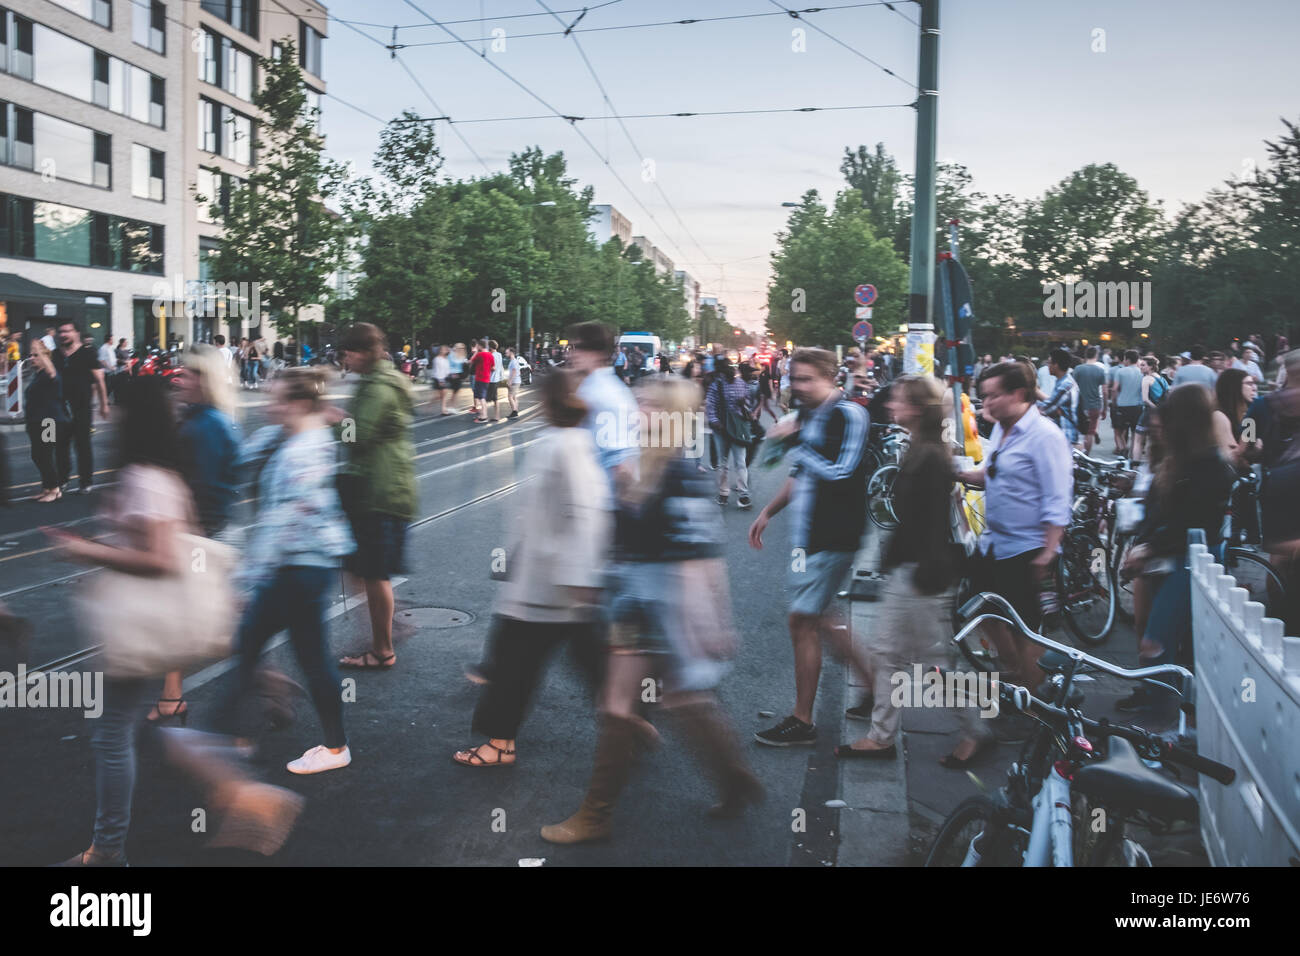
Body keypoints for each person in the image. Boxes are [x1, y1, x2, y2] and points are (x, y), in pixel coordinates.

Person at [50, 376, 303, 865]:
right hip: (150, 624)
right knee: (130, 730)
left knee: (113, 735)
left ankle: (109, 850)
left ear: (133, 418)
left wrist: (84, 551)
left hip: (144, 626)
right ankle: (238, 789)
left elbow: (163, 558)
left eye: (117, 409)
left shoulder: (144, 478)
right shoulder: (161, 472)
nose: (108, 416)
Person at [541, 378, 762, 842]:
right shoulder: (637, 466)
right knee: (676, 701)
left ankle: (596, 816)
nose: (636, 408)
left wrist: (715, 622)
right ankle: (735, 777)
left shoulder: (682, 474)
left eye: (647, 404)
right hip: (632, 601)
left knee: (632, 703)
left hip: (664, 606)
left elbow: (702, 555)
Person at [452, 370, 611, 768]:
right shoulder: (567, 440)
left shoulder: (566, 445)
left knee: (513, 665)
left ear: (548, 398)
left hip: (551, 584)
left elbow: (585, 512)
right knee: (588, 662)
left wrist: (580, 578)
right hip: (550, 582)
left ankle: (500, 744)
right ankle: (628, 719)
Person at [837, 375, 993, 764]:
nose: (892, 407)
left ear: (919, 409)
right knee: (892, 655)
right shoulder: (922, 449)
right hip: (915, 569)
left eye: (900, 401)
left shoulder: (928, 458)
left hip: (923, 573)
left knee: (930, 665)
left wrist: (917, 570)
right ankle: (881, 736)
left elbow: (930, 524)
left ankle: (974, 729)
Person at [214, 368, 358, 772]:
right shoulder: (298, 436)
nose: (268, 405)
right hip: (303, 568)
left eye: (276, 399)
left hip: (294, 569)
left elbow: (281, 523)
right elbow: (248, 456)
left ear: (296, 404)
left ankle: (224, 742)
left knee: (249, 648)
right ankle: (333, 747)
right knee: (306, 656)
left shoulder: (304, 452)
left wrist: (247, 578)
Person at [748, 348, 875, 747]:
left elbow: (841, 470)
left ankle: (802, 719)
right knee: (821, 617)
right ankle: (876, 688)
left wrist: (795, 440)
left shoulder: (849, 414)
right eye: (793, 379)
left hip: (833, 535)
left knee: (802, 620)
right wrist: (768, 510)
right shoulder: (807, 416)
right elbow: (800, 472)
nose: (796, 387)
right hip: (807, 537)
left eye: (805, 379)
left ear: (830, 377)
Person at [956, 362, 1072, 691]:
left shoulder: (1045, 436)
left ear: (1018, 394)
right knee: (983, 610)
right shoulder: (1003, 429)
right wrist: (959, 474)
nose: (987, 404)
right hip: (994, 544)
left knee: (1026, 630)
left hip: (1027, 548)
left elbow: (1057, 497)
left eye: (993, 396)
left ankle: (1035, 707)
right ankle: (1014, 672)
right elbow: (993, 474)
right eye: (984, 397)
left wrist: (1048, 552)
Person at [1119, 385, 1234, 710]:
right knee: (1151, 630)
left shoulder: (1210, 466)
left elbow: (1194, 524)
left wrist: (1149, 547)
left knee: (1158, 636)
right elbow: (1159, 510)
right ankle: (1161, 693)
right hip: (1168, 554)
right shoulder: (1179, 456)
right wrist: (1144, 543)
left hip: (1190, 559)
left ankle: (1165, 704)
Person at [147, 345, 241, 725]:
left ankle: (269, 683)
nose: (178, 379)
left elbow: (200, 487)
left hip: (199, 536)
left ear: (203, 380)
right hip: (201, 534)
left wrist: (189, 535)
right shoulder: (206, 418)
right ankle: (171, 698)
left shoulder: (207, 425)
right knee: (189, 616)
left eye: (186, 375)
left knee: (194, 619)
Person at [336, 324, 417, 671]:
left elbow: (359, 435)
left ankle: (383, 648)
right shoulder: (381, 380)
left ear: (365, 351)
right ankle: (388, 627)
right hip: (380, 485)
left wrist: (332, 419)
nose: (345, 358)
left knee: (374, 572)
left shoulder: (379, 385)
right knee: (363, 568)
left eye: (349, 352)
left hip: (379, 489)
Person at [53, 321, 110, 494]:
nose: (63, 334)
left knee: (82, 446)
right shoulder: (55, 354)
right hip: (59, 408)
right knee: (60, 446)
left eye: (67, 331)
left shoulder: (87, 353)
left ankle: (86, 481)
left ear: (76, 333)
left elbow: (99, 379)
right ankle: (62, 480)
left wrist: (104, 405)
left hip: (81, 408)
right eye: (61, 331)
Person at [706, 356, 755, 509]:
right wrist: (741, 409)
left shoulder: (716, 384)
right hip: (738, 428)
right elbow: (748, 404)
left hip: (721, 428)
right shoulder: (741, 383)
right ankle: (744, 495)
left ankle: (723, 494)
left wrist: (715, 422)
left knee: (723, 463)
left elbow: (710, 406)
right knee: (741, 462)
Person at [24, 338, 68, 502]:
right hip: (36, 421)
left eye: (36, 355)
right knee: (38, 455)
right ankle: (47, 488)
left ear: (45, 357)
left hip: (48, 422)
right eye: (31, 355)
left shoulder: (51, 372)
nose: (32, 358)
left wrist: (40, 350)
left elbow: (51, 373)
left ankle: (55, 489)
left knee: (45, 455)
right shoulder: (39, 375)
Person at [1039, 348, 1080, 447]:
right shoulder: (1062, 382)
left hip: (1066, 434)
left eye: (1049, 363)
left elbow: (1046, 408)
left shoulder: (1065, 385)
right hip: (1063, 433)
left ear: (1056, 365)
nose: (1047, 366)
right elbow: (1052, 406)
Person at [1132, 354, 1168, 464]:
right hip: (1162, 413)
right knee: (1152, 442)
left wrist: (1155, 408)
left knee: (1138, 441)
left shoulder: (1146, 379)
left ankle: (1134, 467)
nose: (1140, 367)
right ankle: (1151, 466)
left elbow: (1145, 399)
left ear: (1151, 366)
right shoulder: (1161, 378)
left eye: (1143, 365)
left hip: (1149, 413)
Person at [1108, 349, 1144, 458]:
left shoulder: (1121, 371)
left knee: (1118, 432)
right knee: (1135, 434)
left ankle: (1123, 450)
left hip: (1122, 405)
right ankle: (1133, 456)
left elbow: (1114, 389)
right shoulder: (1141, 372)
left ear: (1127, 359)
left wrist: (1113, 402)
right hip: (1137, 406)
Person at [1072, 346, 1108, 454]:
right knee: (1090, 432)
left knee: (1079, 432)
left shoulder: (1078, 369)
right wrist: (1105, 408)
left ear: (1085, 355)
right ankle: (1086, 456)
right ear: (1096, 355)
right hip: (1095, 405)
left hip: (1080, 405)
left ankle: (1078, 454)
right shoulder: (1100, 370)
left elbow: (1072, 386)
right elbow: (1105, 391)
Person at [470, 337, 495, 424]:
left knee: (482, 398)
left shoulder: (479, 355)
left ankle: (484, 416)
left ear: (480, 346)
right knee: (482, 397)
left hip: (480, 378)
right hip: (487, 379)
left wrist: (476, 351)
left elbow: (471, 361)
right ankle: (482, 415)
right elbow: (493, 368)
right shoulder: (490, 355)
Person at [432, 345, 453, 415]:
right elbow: (437, 371)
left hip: (445, 378)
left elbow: (447, 370)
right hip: (438, 378)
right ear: (440, 350)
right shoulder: (437, 359)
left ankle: (443, 410)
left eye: (445, 349)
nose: (445, 351)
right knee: (440, 396)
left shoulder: (446, 359)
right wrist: (440, 380)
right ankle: (429, 405)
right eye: (443, 349)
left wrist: (450, 375)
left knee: (444, 395)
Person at [505, 346, 522, 419]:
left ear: (511, 353)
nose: (506, 354)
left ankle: (514, 412)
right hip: (517, 381)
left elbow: (514, 371)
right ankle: (515, 411)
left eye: (507, 352)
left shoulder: (513, 361)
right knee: (514, 397)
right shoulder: (513, 361)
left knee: (510, 397)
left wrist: (510, 381)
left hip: (514, 382)